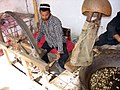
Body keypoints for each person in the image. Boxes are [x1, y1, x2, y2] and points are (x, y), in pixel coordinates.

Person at [36, 4, 69, 69]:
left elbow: (59, 37)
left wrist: (59, 51)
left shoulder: (56, 22)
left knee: (62, 59)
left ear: (50, 12)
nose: (44, 17)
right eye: (42, 15)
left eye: (46, 15)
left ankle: (62, 71)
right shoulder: (42, 21)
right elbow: (41, 32)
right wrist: (36, 40)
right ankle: (47, 65)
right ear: (40, 13)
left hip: (59, 42)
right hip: (49, 42)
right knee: (42, 54)